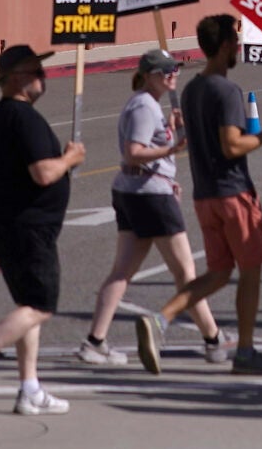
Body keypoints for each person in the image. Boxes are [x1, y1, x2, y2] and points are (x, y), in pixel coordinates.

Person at [144, 17, 262, 376]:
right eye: (234, 40)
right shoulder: (226, 91)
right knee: (250, 272)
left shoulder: (192, 90)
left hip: (204, 195)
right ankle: (246, 351)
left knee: (220, 273)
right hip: (232, 192)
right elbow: (232, 144)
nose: (237, 46)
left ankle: (160, 321)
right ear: (223, 45)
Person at [0, 44, 86, 414]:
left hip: (3, 227)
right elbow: (43, 173)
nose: (43, 76)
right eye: (35, 70)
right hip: (30, 229)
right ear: (15, 79)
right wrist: (70, 159)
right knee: (40, 306)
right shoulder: (24, 120)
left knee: (28, 306)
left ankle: (30, 389)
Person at [78, 49, 219, 367]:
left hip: (136, 191)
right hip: (149, 196)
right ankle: (213, 338)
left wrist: (169, 131)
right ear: (147, 75)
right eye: (164, 70)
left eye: (175, 69)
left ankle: (94, 341)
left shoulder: (148, 106)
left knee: (122, 271)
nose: (172, 74)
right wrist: (173, 148)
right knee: (185, 271)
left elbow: (147, 148)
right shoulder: (143, 105)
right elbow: (133, 152)